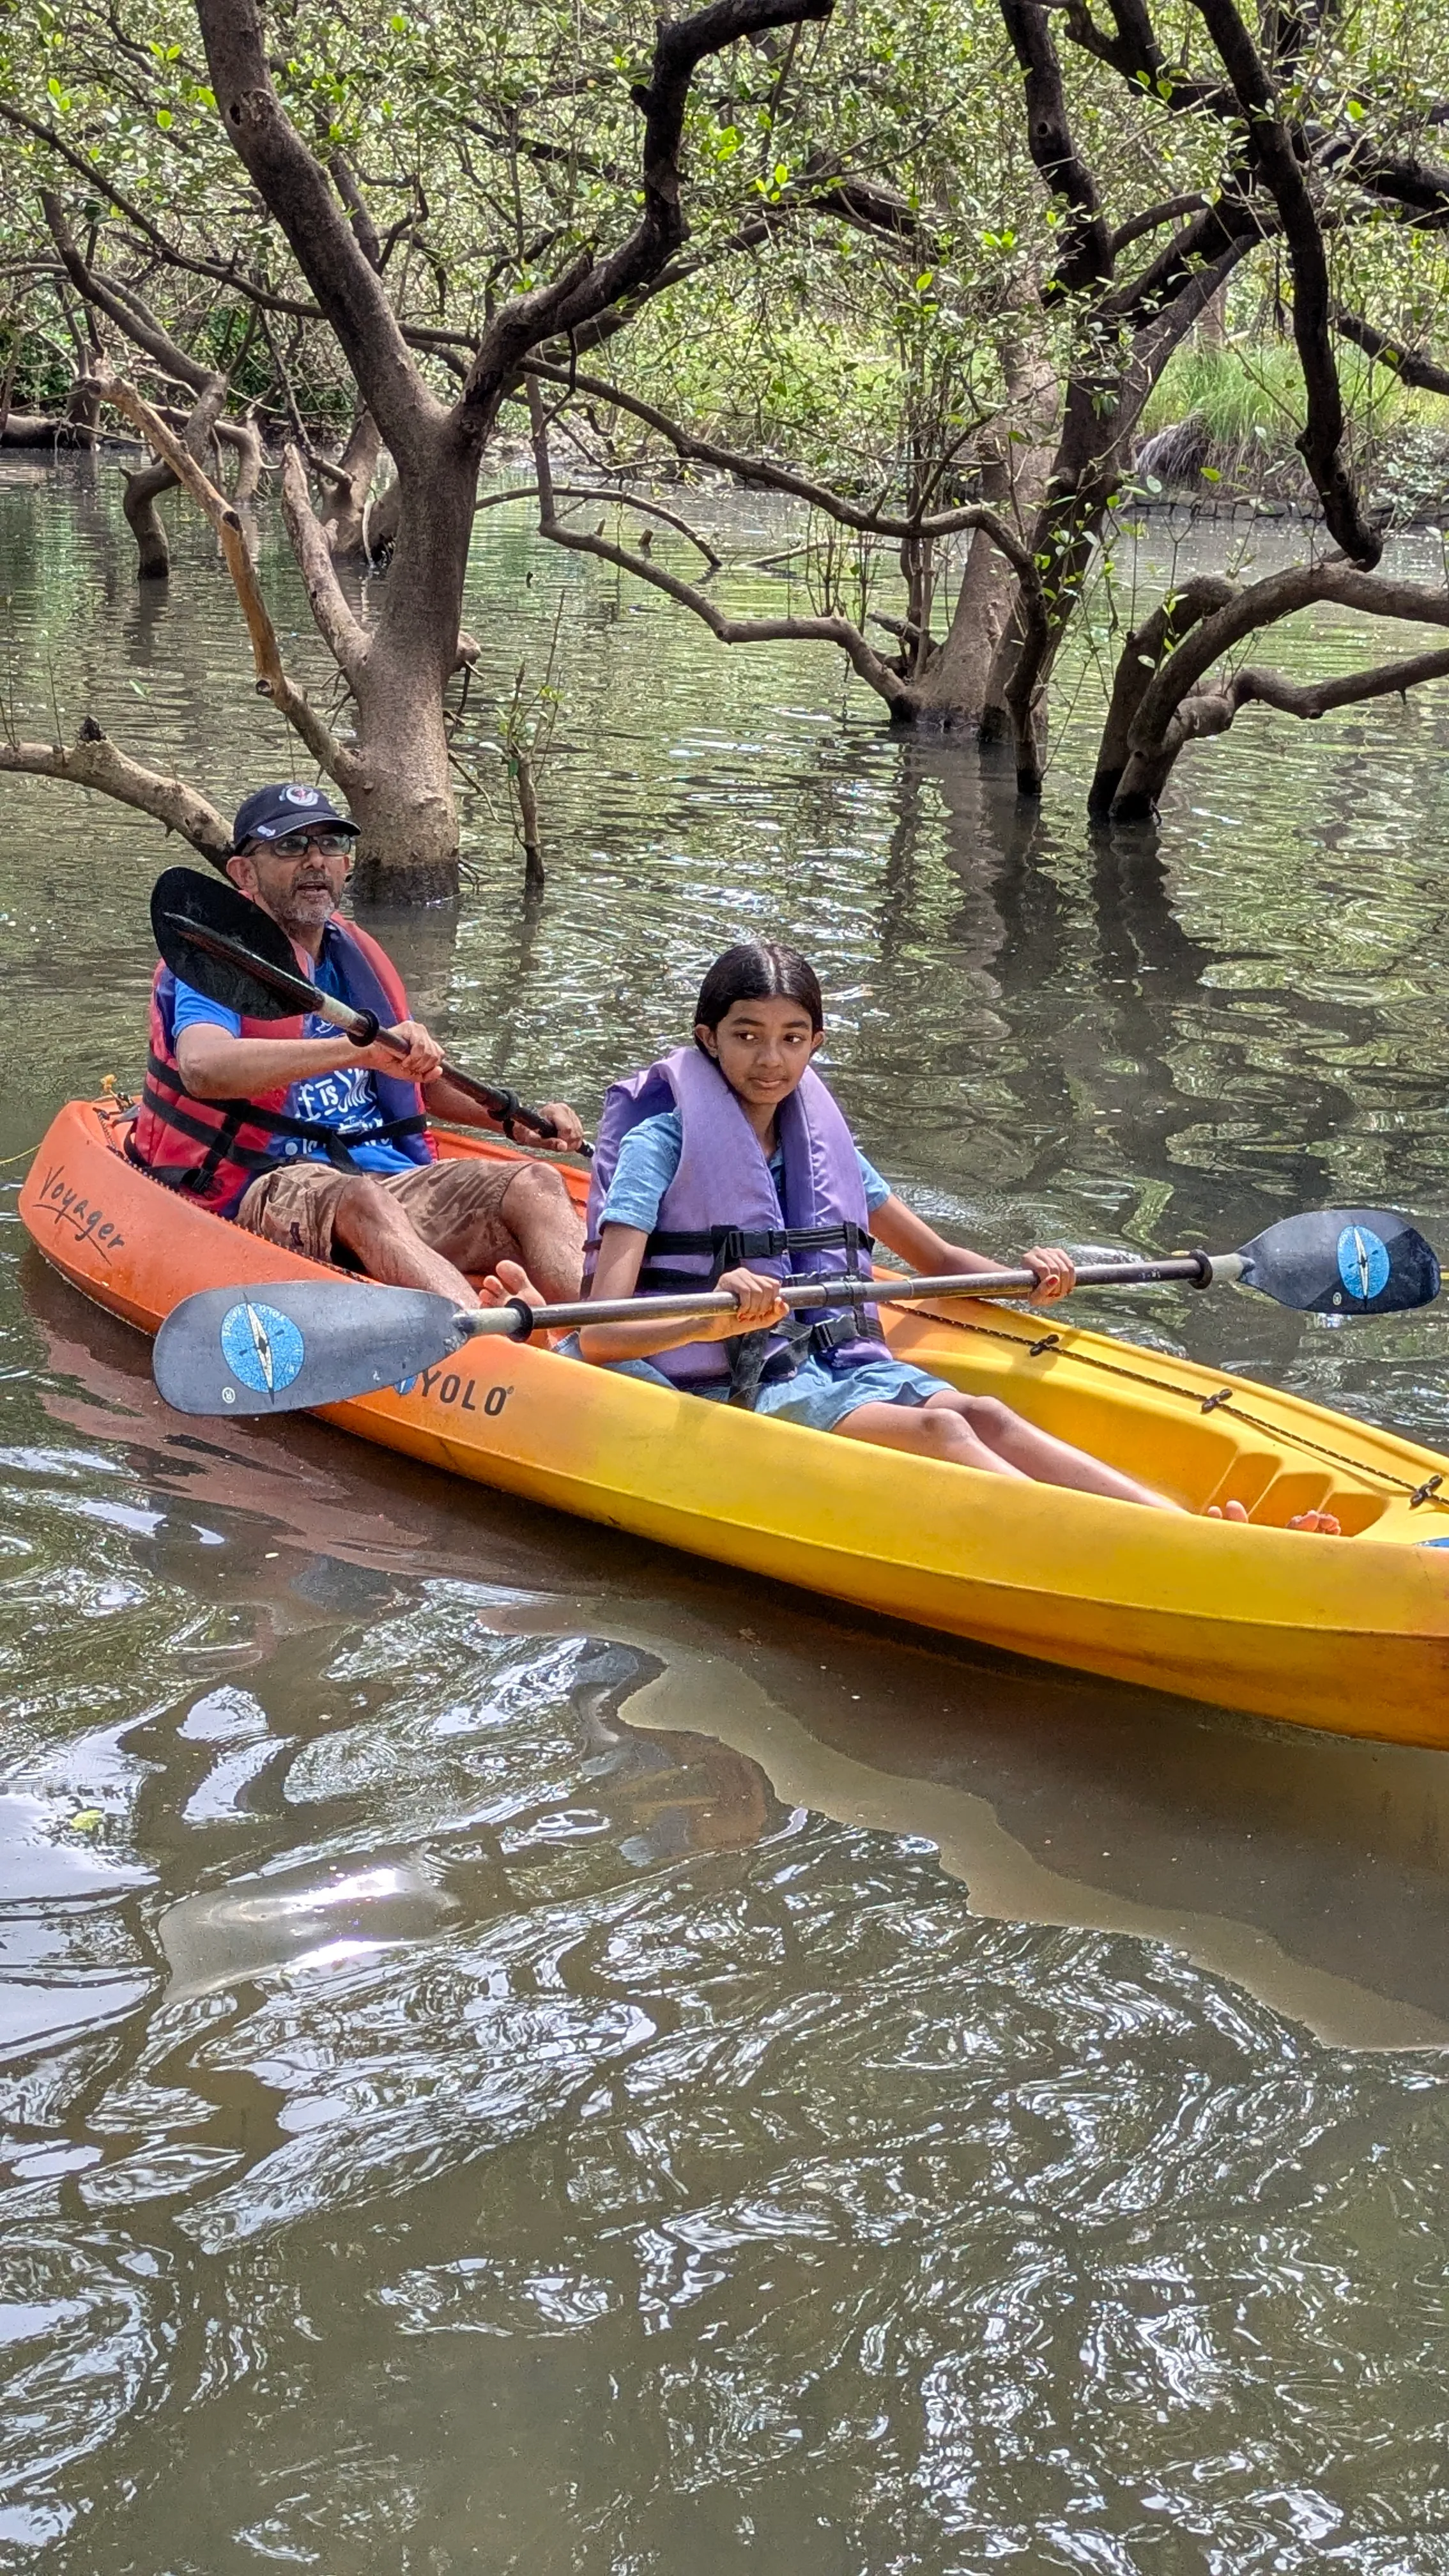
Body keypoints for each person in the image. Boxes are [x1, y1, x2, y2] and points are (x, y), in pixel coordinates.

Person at [480, 940, 1334, 1529]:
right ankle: (1166, 1553)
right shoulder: (664, 1144)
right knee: (944, 1433)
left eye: (790, 1039)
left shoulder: (822, 1147)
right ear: (708, 1040)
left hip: (835, 1365)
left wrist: (1027, 1277)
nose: (770, 1061)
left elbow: (935, 1263)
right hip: (734, 1387)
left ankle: (1175, 1526)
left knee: (983, 1411)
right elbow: (599, 1329)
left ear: (815, 1044)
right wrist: (709, 1316)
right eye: (746, 1037)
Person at [130, 783, 586, 1306]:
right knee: (363, 1200)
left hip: (390, 1175)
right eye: (291, 846)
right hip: (270, 1180)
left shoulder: (355, 958)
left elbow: (423, 1087)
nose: (316, 861)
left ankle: (607, 1339)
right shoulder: (214, 963)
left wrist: (518, 1125)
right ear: (244, 873)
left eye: (330, 845)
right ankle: (485, 1346)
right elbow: (202, 1067)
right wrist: (354, 1051)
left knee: (537, 1184)